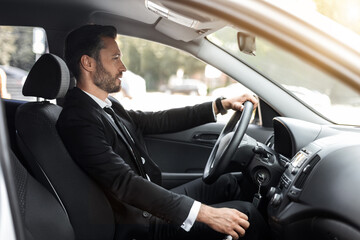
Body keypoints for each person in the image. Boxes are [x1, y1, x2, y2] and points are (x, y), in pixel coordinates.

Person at [57, 24, 270, 240]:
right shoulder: (78, 119)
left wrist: (220, 105)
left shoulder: (105, 104)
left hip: (147, 207)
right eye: (115, 58)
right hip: (141, 225)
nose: (123, 67)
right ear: (88, 63)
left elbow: (158, 120)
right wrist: (208, 214)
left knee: (229, 183)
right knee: (246, 214)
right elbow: (124, 182)